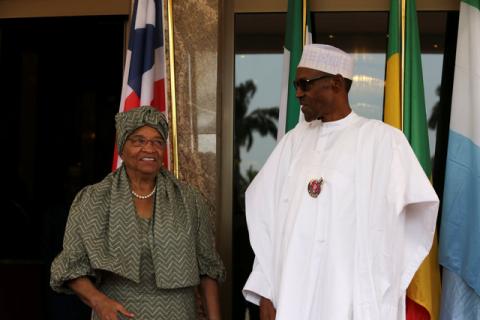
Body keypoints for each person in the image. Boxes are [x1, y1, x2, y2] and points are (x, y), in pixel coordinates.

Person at [242, 44, 439, 320]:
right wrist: (267, 289)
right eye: (296, 84)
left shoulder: (383, 141)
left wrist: (382, 281)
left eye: (305, 84)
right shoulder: (292, 144)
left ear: (335, 83)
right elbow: (266, 225)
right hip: (292, 296)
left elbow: (420, 213)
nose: (298, 93)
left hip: (352, 297)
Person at [51, 105, 225, 320]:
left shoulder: (189, 200)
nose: (149, 149)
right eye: (139, 141)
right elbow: (71, 267)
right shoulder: (94, 199)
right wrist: (99, 302)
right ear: (122, 147)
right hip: (119, 315)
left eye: (157, 142)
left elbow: (208, 270)